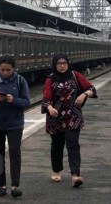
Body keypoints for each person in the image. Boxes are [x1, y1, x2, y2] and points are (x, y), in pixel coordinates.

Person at [41, 53, 97, 188]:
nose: (62, 66)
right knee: (57, 146)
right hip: (55, 119)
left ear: (68, 64)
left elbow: (91, 89)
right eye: (59, 63)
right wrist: (49, 107)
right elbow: (46, 97)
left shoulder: (75, 75)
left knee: (73, 144)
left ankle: (75, 175)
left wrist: (84, 95)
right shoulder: (50, 79)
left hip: (73, 117)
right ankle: (56, 170)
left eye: (64, 63)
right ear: (54, 65)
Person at [0, 54, 30, 198]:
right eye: (2, 70)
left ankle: (15, 185)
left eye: (8, 70)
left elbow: (26, 102)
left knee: (15, 152)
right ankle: (1, 185)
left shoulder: (21, 81)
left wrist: (13, 100)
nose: (4, 73)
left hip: (15, 124)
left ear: (13, 69)